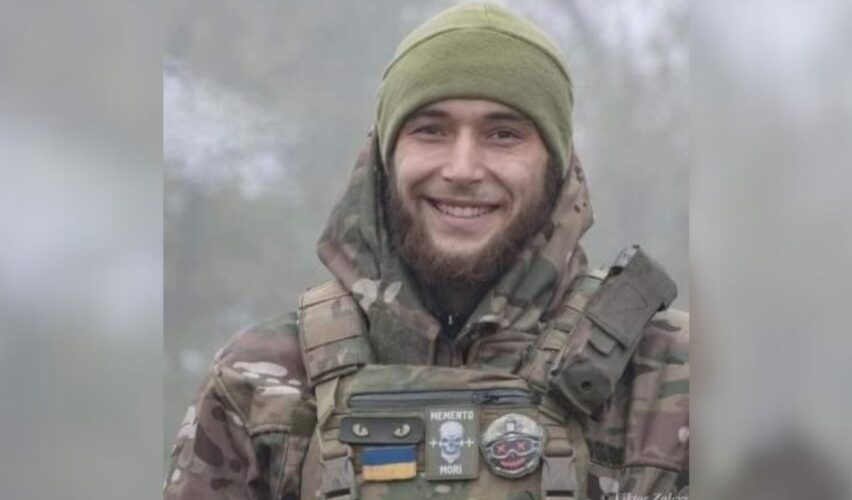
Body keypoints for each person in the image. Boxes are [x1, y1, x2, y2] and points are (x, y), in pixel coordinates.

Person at [165, 4, 689, 499]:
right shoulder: (260, 381)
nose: (462, 169)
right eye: (430, 130)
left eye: (503, 134)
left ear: (556, 165)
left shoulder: (674, 374)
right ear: (384, 156)